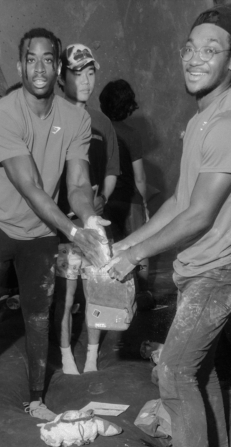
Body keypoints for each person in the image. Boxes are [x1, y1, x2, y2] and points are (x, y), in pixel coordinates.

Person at [0, 27, 109, 439]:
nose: (40, 67)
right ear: (19, 65)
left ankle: (35, 397)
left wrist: (89, 221)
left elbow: (79, 184)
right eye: (32, 58)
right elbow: (29, 187)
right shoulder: (2, 115)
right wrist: (73, 231)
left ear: (58, 67)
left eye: (48, 59)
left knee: (38, 319)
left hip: (41, 235)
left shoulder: (77, 118)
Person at [105, 5, 231, 447]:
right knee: (199, 371)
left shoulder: (226, 122)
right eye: (190, 49)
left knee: (173, 375)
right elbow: (178, 200)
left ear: (230, 62)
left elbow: (198, 215)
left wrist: (135, 258)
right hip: (199, 270)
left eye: (211, 50)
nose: (196, 58)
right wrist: (127, 243)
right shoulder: (200, 119)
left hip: (217, 274)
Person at [54, 43, 119, 374]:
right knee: (65, 299)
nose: (85, 79)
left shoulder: (102, 122)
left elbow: (111, 170)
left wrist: (100, 202)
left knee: (95, 297)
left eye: (90, 72)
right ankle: (66, 354)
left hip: (93, 228)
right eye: (77, 72)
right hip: (62, 230)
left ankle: (92, 355)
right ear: (62, 76)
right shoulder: (51, 119)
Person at [99, 79, 151, 294]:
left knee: (111, 250)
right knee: (141, 247)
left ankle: (118, 297)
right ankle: (142, 294)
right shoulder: (131, 134)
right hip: (130, 202)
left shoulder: (97, 130)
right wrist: (145, 203)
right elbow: (139, 177)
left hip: (105, 201)